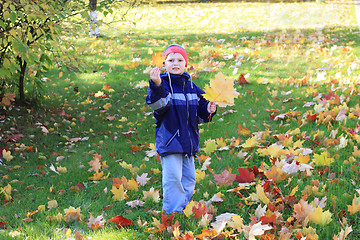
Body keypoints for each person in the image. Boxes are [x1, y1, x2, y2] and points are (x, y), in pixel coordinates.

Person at [146, 44, 217, 214]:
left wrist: (208, 110)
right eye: (171, 60)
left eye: (180, 60)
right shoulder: (163, 85)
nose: (175, 63)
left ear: (186, 64)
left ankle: (183, 208)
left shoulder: (192, 87)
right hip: (171, 141)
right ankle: (171, 212)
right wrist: (156, 84)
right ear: (164, 64)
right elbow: (157, 105)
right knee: (173, 179)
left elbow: (198, 114)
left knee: (189, 179)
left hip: (189, 142)